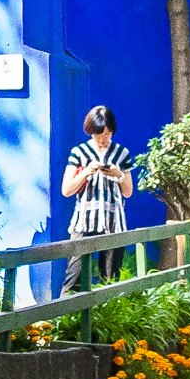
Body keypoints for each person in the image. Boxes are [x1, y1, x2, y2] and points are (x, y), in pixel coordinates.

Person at [60, 104, 134, 293]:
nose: (102, 140)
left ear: (112, 131)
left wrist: (118, 174)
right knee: (74, 276)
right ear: (90, 131)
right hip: (84, 221)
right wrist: (86, 172)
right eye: (98, 135)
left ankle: (106, 320)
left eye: (107, 135)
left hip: (113, 222)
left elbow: (128, 192)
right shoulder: (79, 152)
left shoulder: (121, 153)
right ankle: (67, 318)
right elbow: (66, 190)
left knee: (110, 280)